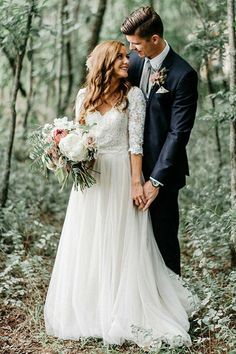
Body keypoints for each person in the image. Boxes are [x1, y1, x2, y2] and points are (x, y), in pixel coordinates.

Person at [44, 40, 197, 349]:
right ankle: (91, 307)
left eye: (128, 55)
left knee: (121, 241)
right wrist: (67, 154)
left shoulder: (133, 96)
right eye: (121, 57)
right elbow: (80, 134)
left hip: (120, 176)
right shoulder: (83, 96)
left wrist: (136, 181)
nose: (128, 61)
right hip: (90, 182)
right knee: (90, 241)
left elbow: (135, 144)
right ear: (105, 63)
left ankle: (122, 305)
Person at [121, 6, 198, 275]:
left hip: (161, 172)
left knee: (163, 239)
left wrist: (155, 181)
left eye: (136, 44)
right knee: (130, 239)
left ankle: (172, 305)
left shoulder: (183, 74)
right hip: (126, 166)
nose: (132, 50)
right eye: (129, 44)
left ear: (154, 39)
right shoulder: (131, 63)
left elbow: (179, 134)